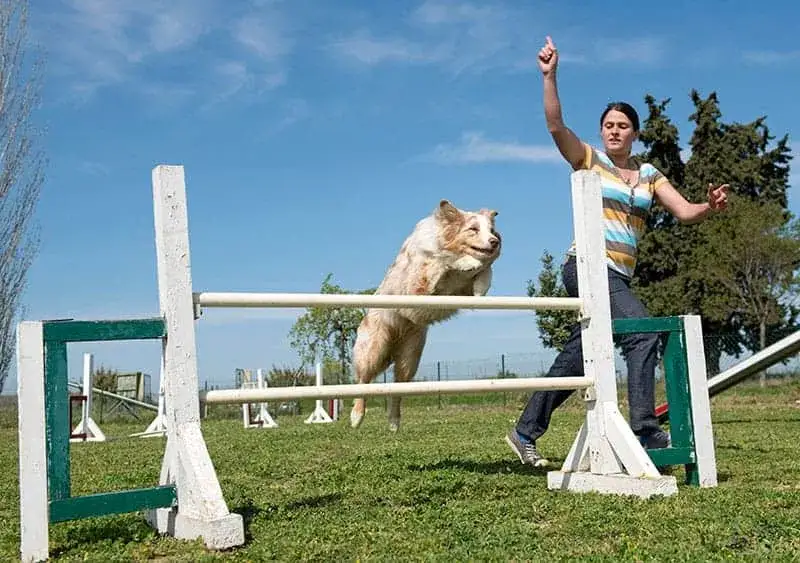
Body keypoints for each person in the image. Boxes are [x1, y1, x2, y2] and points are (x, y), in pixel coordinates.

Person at [505, 36, 729, 467]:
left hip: (618, 275)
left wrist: (709, 207)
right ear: (601, 131)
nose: (614, 130)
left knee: (579, 356)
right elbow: (555, 127)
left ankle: (525, 431)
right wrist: (549, 76)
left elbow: (684, 211)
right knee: (642, 332)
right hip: (586, 265)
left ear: (634, 134)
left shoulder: (648, 173)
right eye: (608, 124)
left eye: (622, 125)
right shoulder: (589, 159)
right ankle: (646, 431)